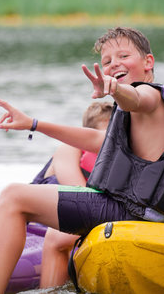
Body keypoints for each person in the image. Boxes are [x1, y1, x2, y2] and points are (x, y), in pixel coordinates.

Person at [0, 27, 164, 294]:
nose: (114, 64)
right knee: (45, 227)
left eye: (123, 55)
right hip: (152, 216)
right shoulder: (162, 107)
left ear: (148, 62)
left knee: (13, 197)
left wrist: (116, 90)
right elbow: (96, 139)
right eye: (107, 61)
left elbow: (135, 98)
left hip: (131, 214)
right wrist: (34, 123)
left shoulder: (149, 96)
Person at [37, 101, 113, 289]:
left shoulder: (111, 163)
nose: (109, 139)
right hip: (39, 224)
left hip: (69, 226)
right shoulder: (68, 150)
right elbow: (83, 196)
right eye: (104, 132)